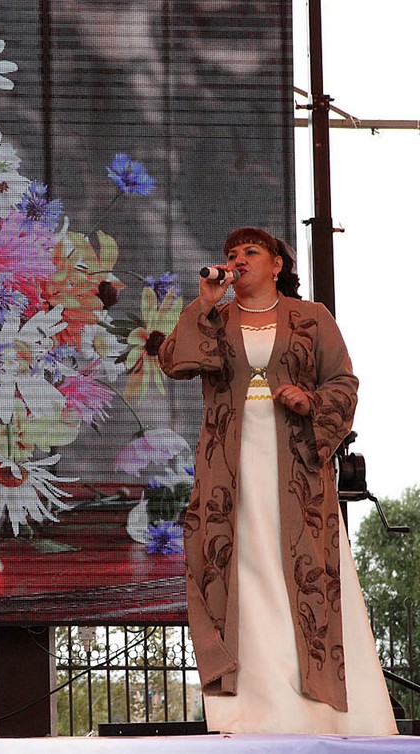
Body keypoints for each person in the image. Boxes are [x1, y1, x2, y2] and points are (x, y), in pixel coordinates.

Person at [158, 227, 396, 734]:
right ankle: (252, 715)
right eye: (231, 254)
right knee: (240, 571)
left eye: (250, 252)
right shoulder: (215, 317)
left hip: (297, 471)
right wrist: (205, 303)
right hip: (229, 472)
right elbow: (175, 361)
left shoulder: (312, 318)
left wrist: (310, 401)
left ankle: (323, 715)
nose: (237, 260)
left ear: (276, 264)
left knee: (306, 571)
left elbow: (344, 383)